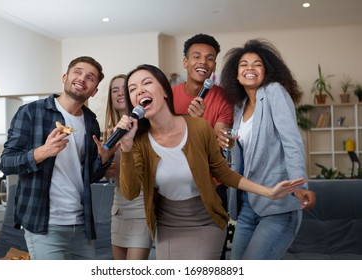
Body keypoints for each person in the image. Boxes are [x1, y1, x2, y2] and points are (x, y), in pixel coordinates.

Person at [115, 64, 306, 260]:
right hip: (168, 225)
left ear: (164, 91)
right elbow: (130, 192)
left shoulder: (198, 127)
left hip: (206, 220)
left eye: (147, 83)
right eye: (132, 89)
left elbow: (223, 173)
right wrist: (126, 148)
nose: (140, 90)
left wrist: (268, 192)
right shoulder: (138, 141)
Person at [0, 56, 114, 260]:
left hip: (81, 224)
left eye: (90, 77)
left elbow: (89, 177)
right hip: (44, 225)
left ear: (94, 90)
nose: (82, 79)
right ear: (65, 77)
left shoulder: (91, 122)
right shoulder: (31, 112)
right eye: (77, 72)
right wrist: (43, 151)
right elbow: (7, 162)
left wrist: (103, 159)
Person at [218, 39, 316, 260]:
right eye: (243, 64)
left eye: (257, 64)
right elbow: (238, 157)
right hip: (246, 206)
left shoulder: (274, 92)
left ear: (267, 70)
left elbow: (292, 142)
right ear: (236, 73)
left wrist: (300, 185)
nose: (250, 68)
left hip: (278, 206)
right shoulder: (238, 108)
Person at [172, 33, 232, 259]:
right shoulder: (167, 96)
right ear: (185, 62)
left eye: (210, 58)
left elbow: (220, 142)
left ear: (214, 65)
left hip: (214, 187)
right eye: (196, 56)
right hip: (174, 188)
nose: (203, 63)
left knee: (213, 257)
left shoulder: (223, 97)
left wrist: (202, 127)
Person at [104, 74, 152, 260]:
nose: (120, 93)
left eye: (124, 89)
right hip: (119, 207)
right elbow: (113, 174)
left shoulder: (146, 128)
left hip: (141, 206)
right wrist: (106, 168)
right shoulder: (110, 131)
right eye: (114, 90)